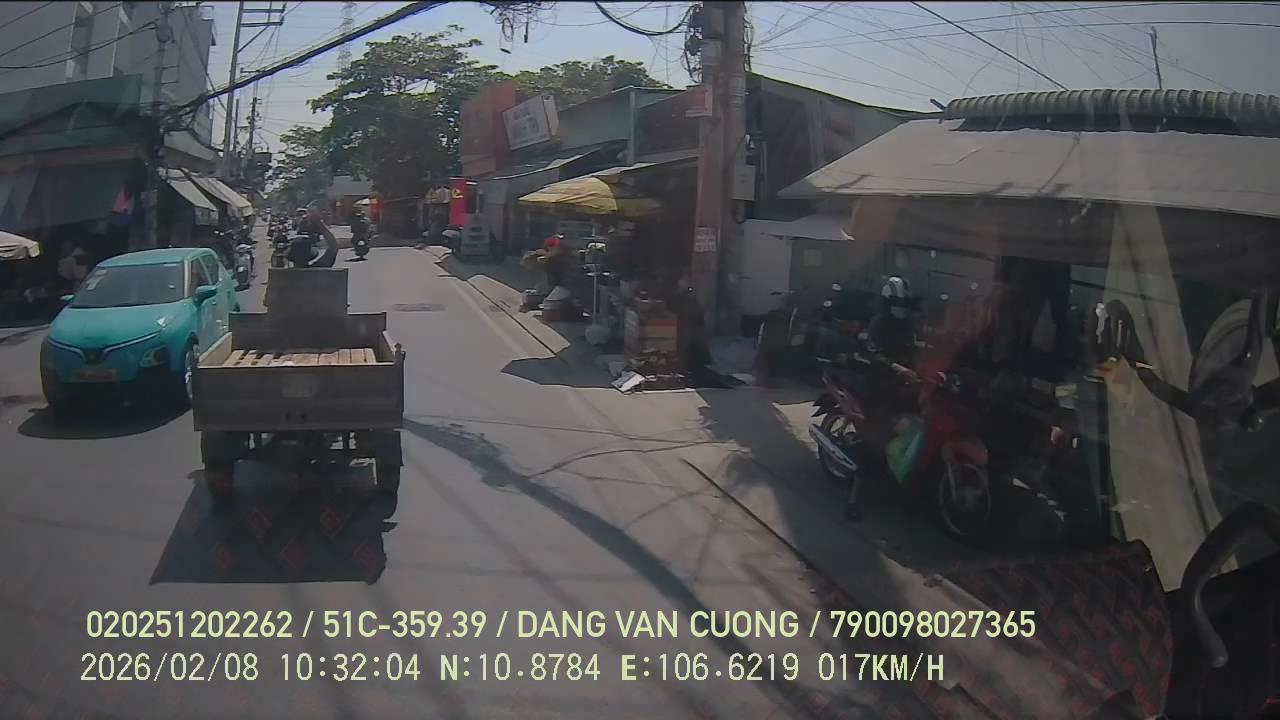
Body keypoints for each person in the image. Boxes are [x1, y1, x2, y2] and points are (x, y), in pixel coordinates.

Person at [844, 276, 921, 522]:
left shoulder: (909, 325)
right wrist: (897, 368)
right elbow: (874, 353)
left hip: (903, 388)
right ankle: (854, 500)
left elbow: (918, 348)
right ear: (887, 302)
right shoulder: (878, 324)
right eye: (896, 302)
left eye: (904, 303)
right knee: (873, 442)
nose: (901, 307)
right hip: (878, 388)